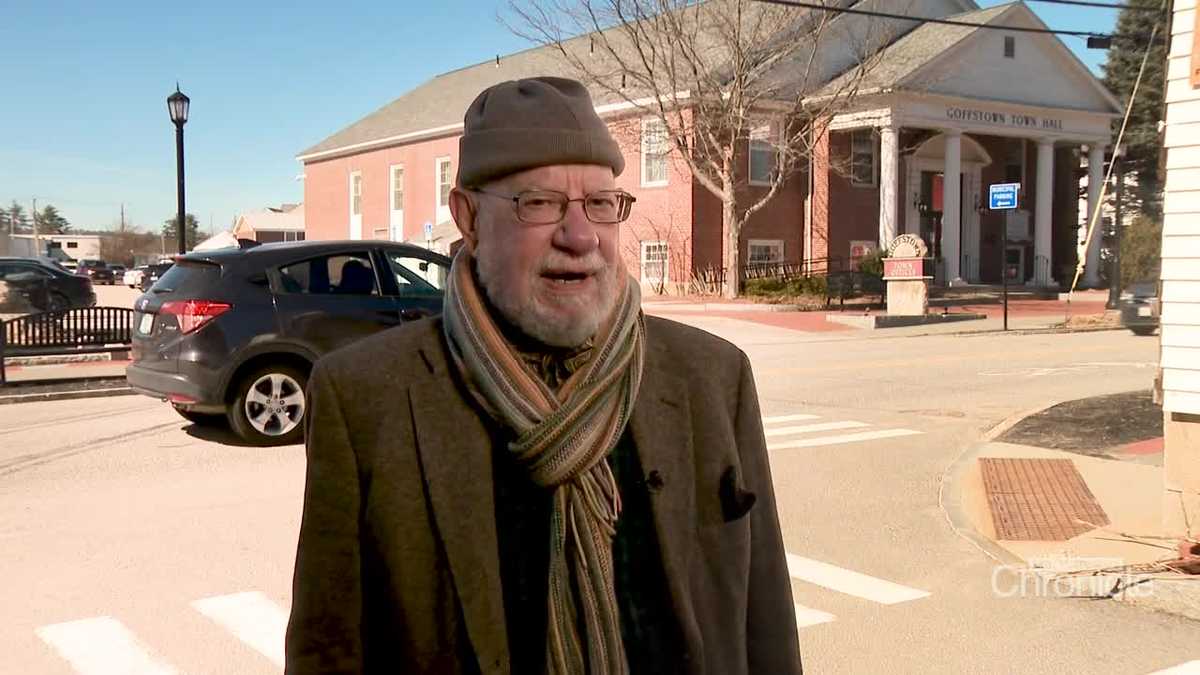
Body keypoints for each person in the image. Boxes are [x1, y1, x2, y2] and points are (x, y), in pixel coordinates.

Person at [285, 76, 801, 675]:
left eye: (601, 205)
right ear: (469, 218)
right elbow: (329, 648)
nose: (580, 236)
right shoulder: (365, 397)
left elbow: (765, 621)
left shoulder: (713, 377)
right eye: (540, 203)